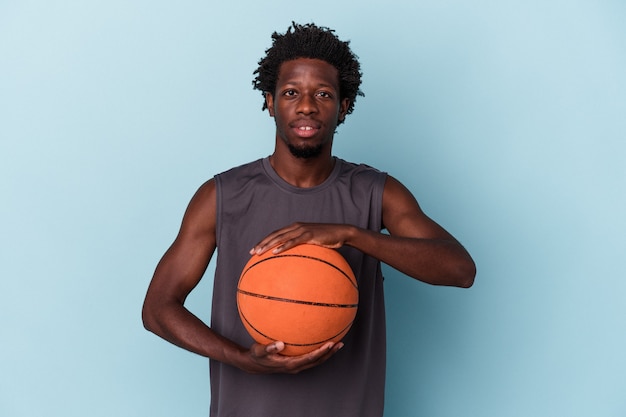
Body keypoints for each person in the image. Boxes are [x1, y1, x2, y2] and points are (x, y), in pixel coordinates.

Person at [142, 22, 476, 417]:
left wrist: (353, 234)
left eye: (323, 94)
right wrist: (241, 358)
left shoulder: (376, 193)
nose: (306, 106)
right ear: (269, 101)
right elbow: (158, 308)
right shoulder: (221, 196)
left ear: (344, 105)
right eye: (290, 93)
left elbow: (460, 269)